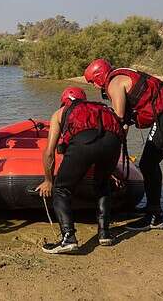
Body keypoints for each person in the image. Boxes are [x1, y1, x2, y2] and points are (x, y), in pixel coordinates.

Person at [84, 59, 163, 231]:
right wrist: (119, 145)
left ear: (99, 76)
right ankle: (152, 209)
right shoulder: (120, 77)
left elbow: (118, 117)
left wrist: (106, 147)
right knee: (149, 163)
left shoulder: (114, 84)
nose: (94, 86)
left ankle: (155, 217)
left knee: (148, 164)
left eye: (93, 81)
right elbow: (124, 124)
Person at [36, 87, 124, 254]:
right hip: (113, 142)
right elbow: (116, 134)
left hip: (84, 143)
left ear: (64, 100)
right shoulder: (101, 108)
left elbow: (49, 153)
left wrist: (48, 180)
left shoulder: (60, 113)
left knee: (61, 189)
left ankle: (68, 238)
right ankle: (105, 234)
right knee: (102, 184)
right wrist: (112, 170)